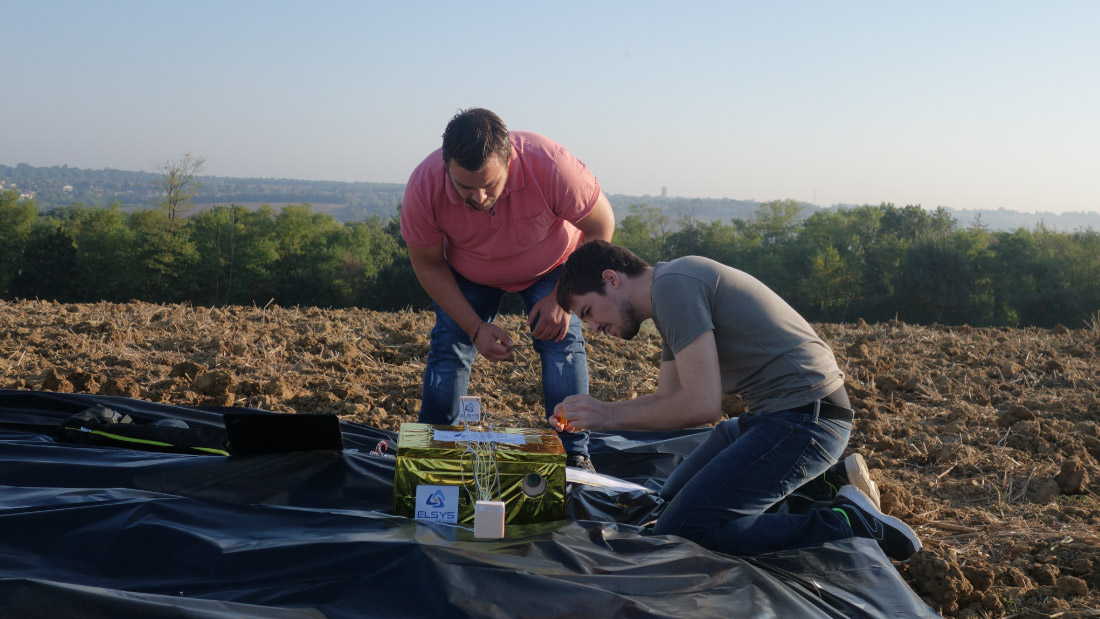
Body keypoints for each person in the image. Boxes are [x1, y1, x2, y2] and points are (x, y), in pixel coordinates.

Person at [550, 240, 922, 561]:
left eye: (588, 313)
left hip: (807, 422)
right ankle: (820, 485)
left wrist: (608, 415)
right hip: (772, 420)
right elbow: (669, 400)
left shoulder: (674, 288)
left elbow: (702, 405)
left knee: (684, 530)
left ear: (611, 280)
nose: (595, 329)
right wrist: (595, 414)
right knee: (668, 499)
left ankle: (848, 523)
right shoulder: (667, 295)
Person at [401, 108, 615, 471]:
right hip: (470, 270)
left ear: (510, 161)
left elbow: (600, 225)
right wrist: (475, 327)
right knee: (449, 342)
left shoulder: (550, 165)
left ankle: (574, 453)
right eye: (465, 187)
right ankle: (433, 448)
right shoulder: (425, 187)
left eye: (490, 185)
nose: (479, 197)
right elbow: (429, 264)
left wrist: (562, 298)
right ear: (447, 164)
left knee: (561, 340)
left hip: (553, 266)